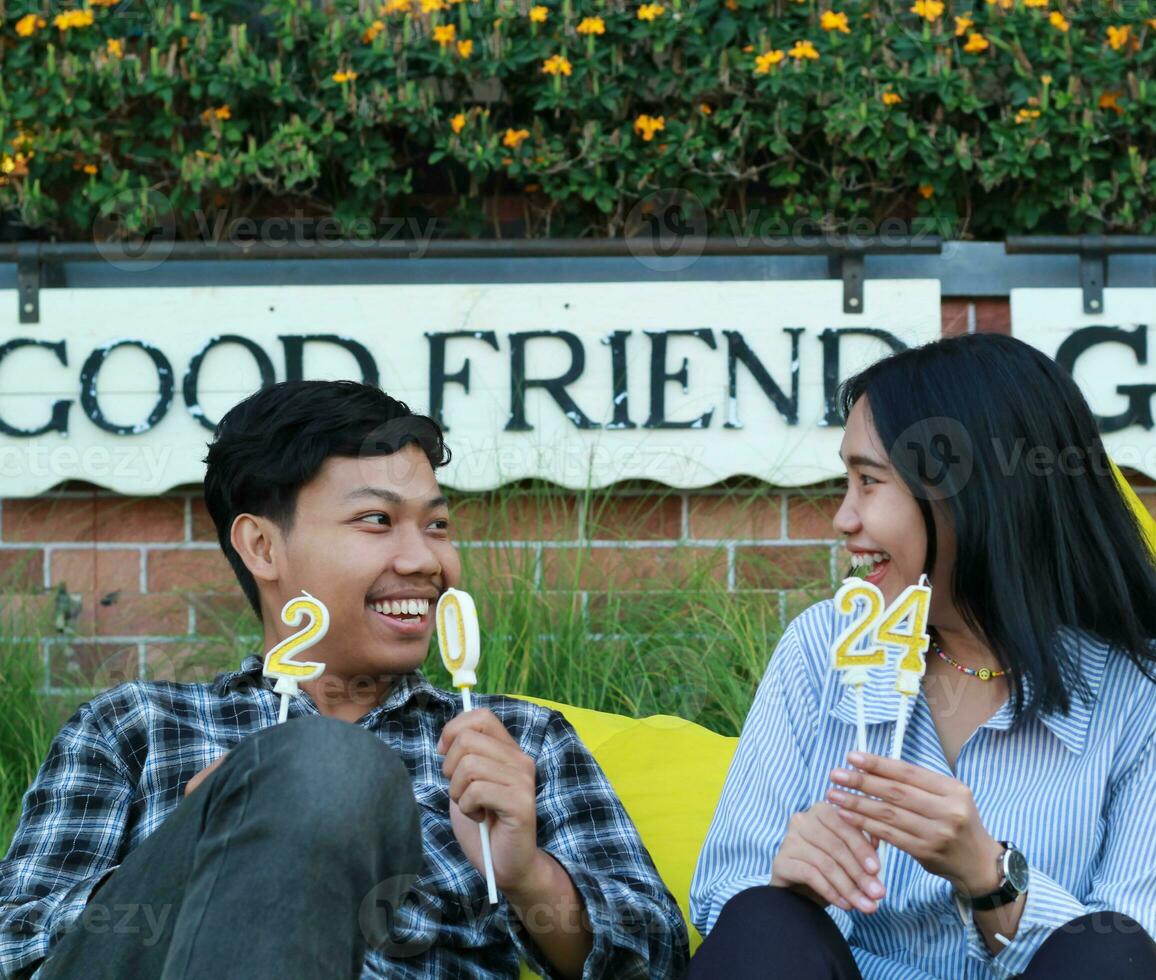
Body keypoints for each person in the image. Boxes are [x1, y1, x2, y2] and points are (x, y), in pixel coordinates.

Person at [0, 380, 689, 979]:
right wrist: (189, 860)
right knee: (323, 766)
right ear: (263, 547)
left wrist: (525, 873)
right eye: (377, 521)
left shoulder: (514, 743)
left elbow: (660, 959)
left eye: (437, 524)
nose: (424, 559)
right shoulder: (135, 726)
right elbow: (16, 946)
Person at [687, 332, 1156, 979]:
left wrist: (989, 877)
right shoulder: (823, 646)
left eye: (869, 481)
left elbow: (1134, 953)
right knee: (763, 921)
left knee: (1104, 955)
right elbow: (724, 894)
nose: (843, 517)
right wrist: (798, 880)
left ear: (969, 497)